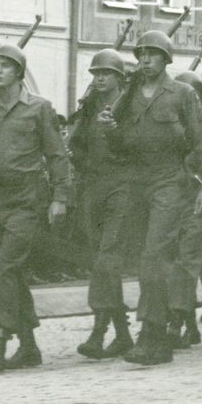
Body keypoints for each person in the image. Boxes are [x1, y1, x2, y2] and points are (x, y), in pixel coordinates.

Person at [99, 30, 202, 366]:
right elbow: (119, 147)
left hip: (170, 180)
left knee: (154, 256)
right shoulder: (129, 96)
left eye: (152, 54)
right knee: (143, 259)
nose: (145, 60)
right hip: (137, 182)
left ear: (166, 58)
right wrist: (110, 131)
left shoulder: (181, 94)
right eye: (141, 54)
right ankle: (158, 328)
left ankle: (153, 333)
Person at [0, 44, 70, 372]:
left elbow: (56, 155)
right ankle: (29, 347)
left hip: (27, 199)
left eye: (5, 66)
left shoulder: (39, 108)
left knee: (8, 267)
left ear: (18, 73)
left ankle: (0, 340)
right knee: (13, 271)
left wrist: (60, 197)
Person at [68, 49, 134, 359]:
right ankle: (122, 334)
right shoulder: (89, 107)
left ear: (120, 78)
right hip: (93, 188)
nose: (100, 78)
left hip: (122, 188)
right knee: (101, 262)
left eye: (106, 73)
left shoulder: (131, 106)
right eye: (95, 74)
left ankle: (98, 332)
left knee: (107, 260)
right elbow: (76, 147)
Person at [167, 69, 202, 349]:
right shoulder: (170, 125)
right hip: (172, 200)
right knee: (172, 262)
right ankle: (190, 325)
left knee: (187, 263)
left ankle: (176, 321)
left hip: (198, 202)